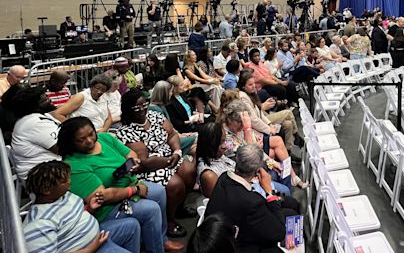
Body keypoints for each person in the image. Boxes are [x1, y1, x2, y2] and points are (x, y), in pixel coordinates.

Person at [57, 116, 184, 253]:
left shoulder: (104, 138)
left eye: (91, 134)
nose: (89, 141)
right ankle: (156, 249)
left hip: (128, 183)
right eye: (81, 140)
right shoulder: (74, 165)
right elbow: (102, 197)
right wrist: (134, 190)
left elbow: (131, 154)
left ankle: (161, 238)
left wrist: (133, 162)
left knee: (159, 191)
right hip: (107, 207)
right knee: (150, 209)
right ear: (71, 143)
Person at [116, 89, 197, 238]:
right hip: (149, 168)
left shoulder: (154, 116)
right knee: (175, 185)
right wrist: (169, 160)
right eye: (136, 107)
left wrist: (177, 152)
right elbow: (145, 161)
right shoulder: (125, 131)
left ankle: (179, 207)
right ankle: (169, 220)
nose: (142, 110)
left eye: (144, 105)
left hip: (170, 156)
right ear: (128, 110)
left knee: (190, 170)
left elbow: (172, 134)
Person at [23, 161, 140, 253]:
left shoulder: (63, 195)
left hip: (95, 236)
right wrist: (90, 249)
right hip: (88, 249)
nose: (69, 182)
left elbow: (70, 217)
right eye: (64, 181)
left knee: (132, 225)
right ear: (46, 190)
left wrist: (89, 208)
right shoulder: (39, 223)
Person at [204, 144, 295, 253]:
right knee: (289, 214)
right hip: (236, 244)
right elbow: (279, 233)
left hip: (223, 231)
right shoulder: (252, 202)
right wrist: (269, 193)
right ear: (257, 170)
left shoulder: (223, 177)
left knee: (291, 206)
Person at [195, 121, 290, 198]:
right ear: (209, 145)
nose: (225, 146)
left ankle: (282, 203)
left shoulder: (217, 155)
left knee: (279, 172)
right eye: (220, 143)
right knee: (286, 191)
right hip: (246, 194)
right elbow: (226, 202)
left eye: (224, 140)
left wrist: (260, 171)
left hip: (249, 183)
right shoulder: (209, 175)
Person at [238, 70, 301, 152]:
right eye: (250, 84)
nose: (254, 86)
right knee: (288, 112)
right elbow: (254, 120)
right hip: (255, 127)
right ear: (243, 86)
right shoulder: (243, 97)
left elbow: (259, 113)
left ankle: (288, 151)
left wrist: (270, 124)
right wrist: (269, 128)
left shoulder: (251, 93)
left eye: (254, 83)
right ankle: (297, 137)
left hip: (263, 118)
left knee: (288, 124)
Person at [10, 86, 61, 181]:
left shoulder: (42, 116)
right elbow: (62, 148)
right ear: (35, 106)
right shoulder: (33, 123)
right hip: (41, 176)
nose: (50, 100)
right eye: (45, 99)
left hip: (50, 166)